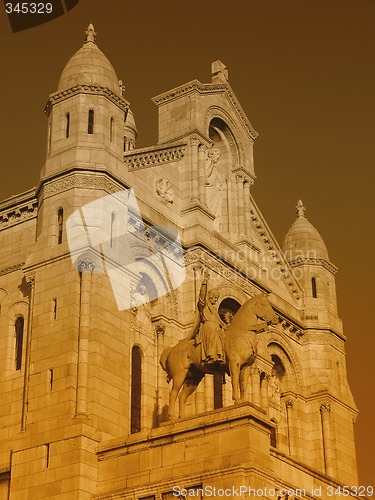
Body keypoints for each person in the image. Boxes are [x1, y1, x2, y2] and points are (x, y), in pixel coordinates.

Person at [195, 270, 226, 365]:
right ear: (210, 296)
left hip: (217, 327)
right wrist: (204, 283)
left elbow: (220, 321)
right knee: (214, 334)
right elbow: (202, 296)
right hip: (208, 327)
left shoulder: (214, 310)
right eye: (214, 297)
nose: (216, 300)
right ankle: (211, 356)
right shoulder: (204, 305)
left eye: (217, 298)